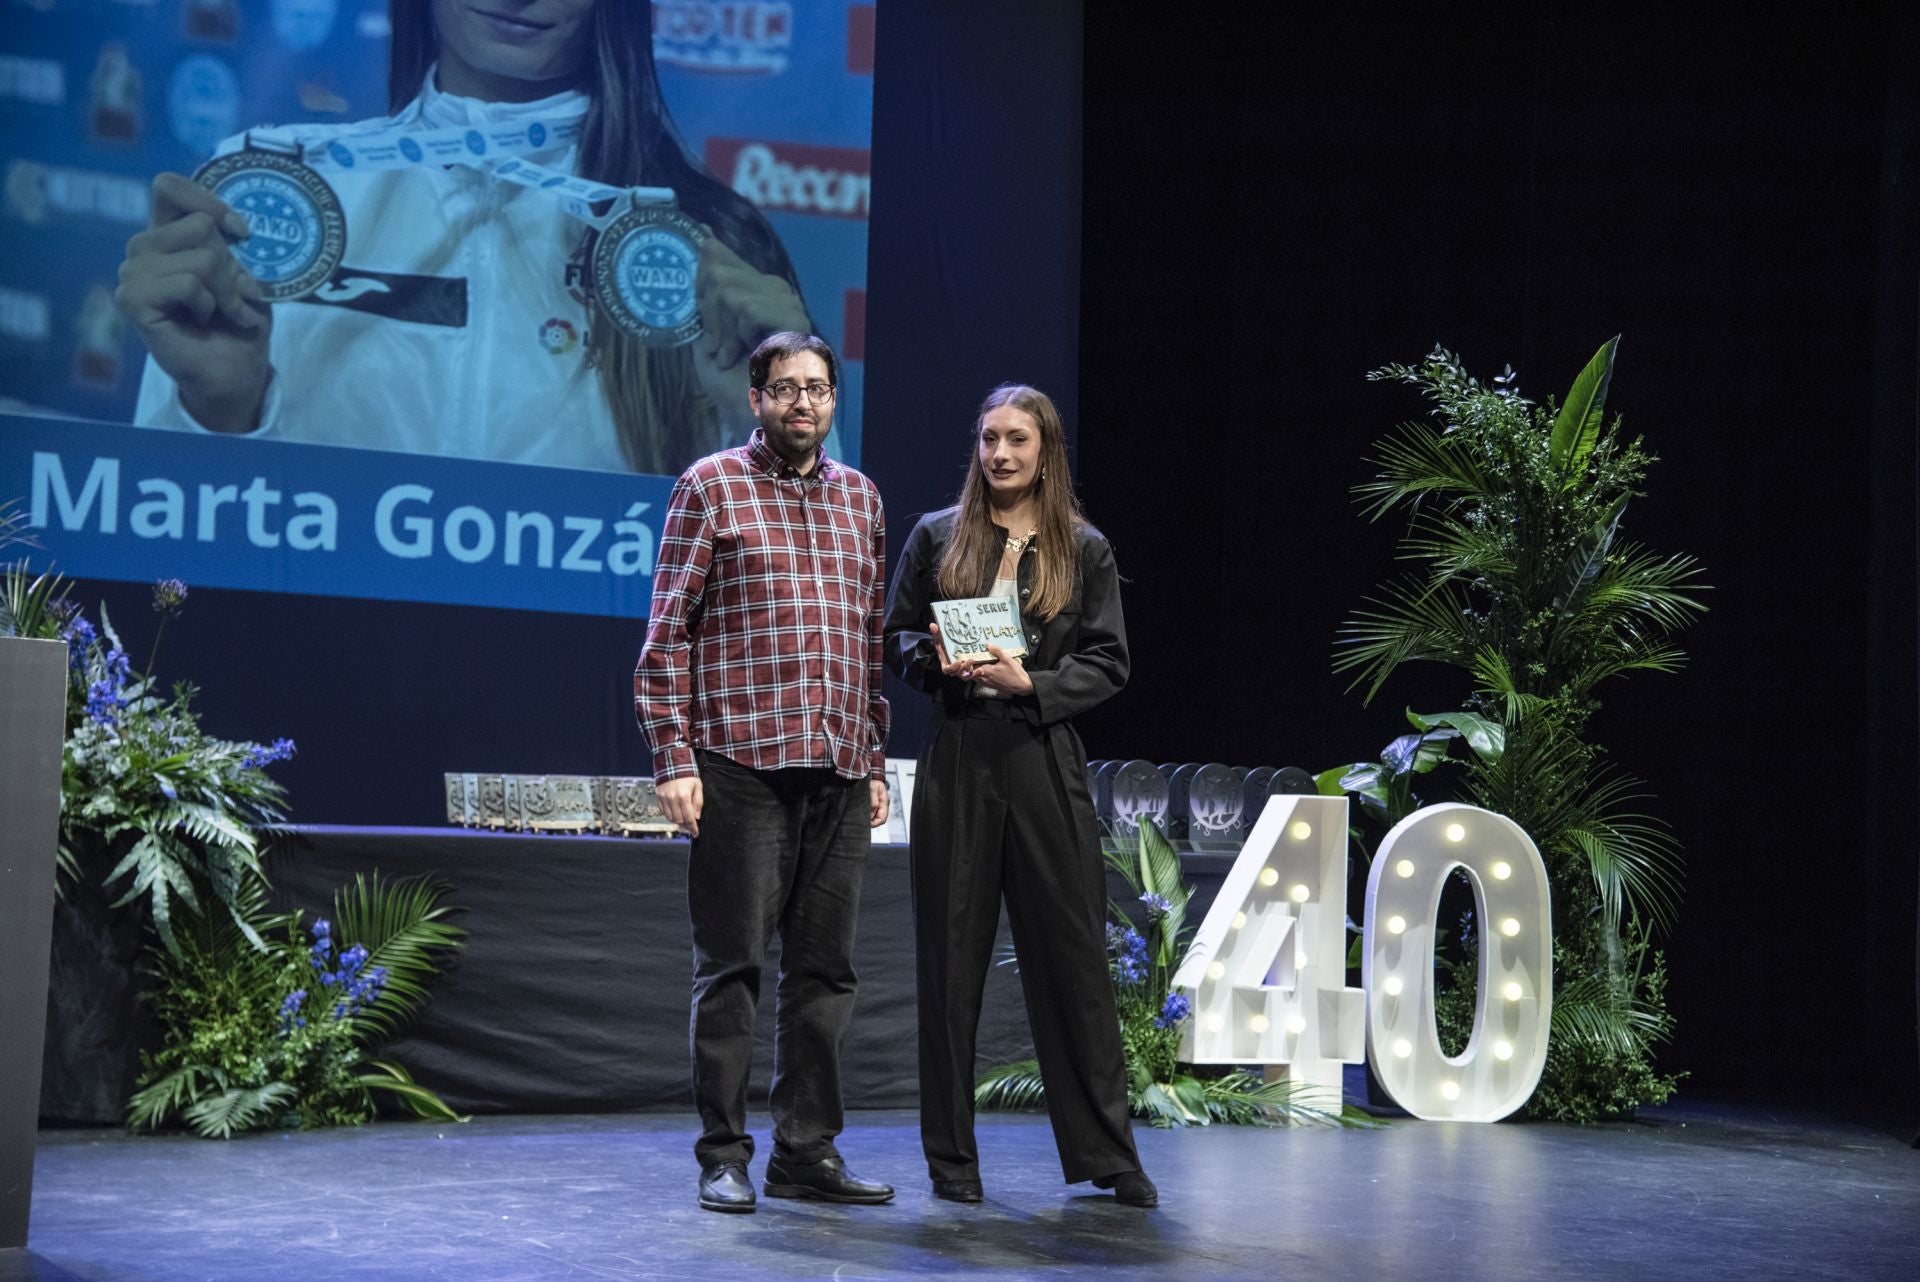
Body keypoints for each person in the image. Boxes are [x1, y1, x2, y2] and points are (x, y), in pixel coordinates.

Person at [116, 0, 812, 474]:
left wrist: (782, 434)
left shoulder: (702, 245)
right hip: (307, 675)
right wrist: (217, 411)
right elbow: (167, 564)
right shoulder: (269, 205)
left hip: (587, 690)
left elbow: (792, 600)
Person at [634, 331, 894, 1214]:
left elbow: (866, 643)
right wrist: (675, 758)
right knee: (733, 966)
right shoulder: (710, 486)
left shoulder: (862, 499)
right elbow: (665, 636)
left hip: (838, 766)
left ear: (833, 401)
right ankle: (724, 1153)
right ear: (755, 399)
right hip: (738, 762)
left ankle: (806, 1150)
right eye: (785, 390)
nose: (803, 405)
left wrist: (874, 758)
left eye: (818, 390)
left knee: (826, 973)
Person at [883, 384, 1157, 1208]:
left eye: (1017, 441)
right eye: (988, 439)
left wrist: (1029, 681)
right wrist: (934, 660)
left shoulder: (1086, 548)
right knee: (951, 962)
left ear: (1046, 451)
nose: (1000, 454)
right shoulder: (938, 535)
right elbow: (895, 635)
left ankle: (1109, 1155)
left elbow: (1110, 662)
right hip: (961, 754)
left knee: (1073, 960)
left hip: (1042, 755)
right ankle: (952, 1162)